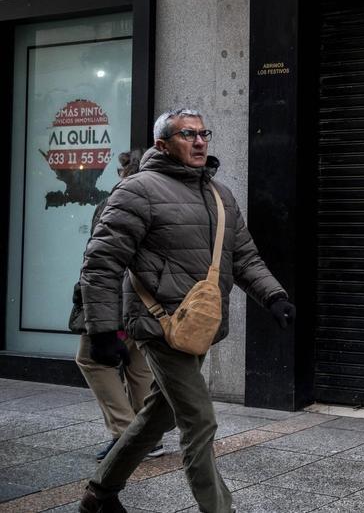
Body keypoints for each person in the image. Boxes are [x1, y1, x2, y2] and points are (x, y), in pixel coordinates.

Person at [77, 108, 297, 513]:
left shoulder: (219, 194)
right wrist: (103, 330)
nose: (199, 142)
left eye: (203, 134)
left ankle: (100, 493)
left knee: (157, 415)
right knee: (200, 420)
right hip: (157, 325)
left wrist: (274, 296)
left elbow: (244, 257)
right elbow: (101, 263)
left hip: (197, 325)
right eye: (187, 135)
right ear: (163, 144)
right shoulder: (137, 191)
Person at [68, 149, 162, 462]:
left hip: (114, 301)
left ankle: (126, 433)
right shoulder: (158, 203)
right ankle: (149, 436)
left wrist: (91, 303)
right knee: (138, 363)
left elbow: (100, 261)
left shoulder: (113, 203)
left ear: (125, 175)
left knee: (91, 359)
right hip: (146, 299)